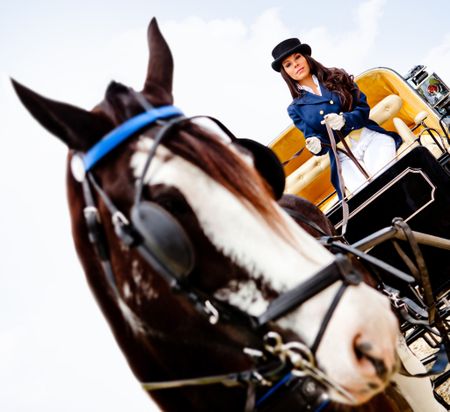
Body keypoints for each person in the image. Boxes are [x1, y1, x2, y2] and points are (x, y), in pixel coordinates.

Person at [271, 38, 403, 199]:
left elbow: (363, 108)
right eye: (288, 64)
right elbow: (315, 138)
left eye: (297, 57)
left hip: (369, 137)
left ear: (306, 57)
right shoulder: (295, 109)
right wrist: (317, 145)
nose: (295, 64)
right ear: (285, 72)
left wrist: (345, 119)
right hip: (342, 157)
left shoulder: (337, 75)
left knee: (386, 178)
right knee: (367, 195)